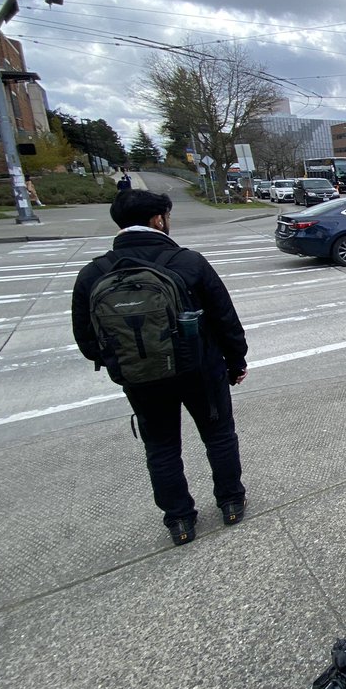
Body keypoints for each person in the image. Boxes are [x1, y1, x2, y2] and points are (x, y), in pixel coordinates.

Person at [71, 190, 250, 546]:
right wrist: (236, 360)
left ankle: (180, 521)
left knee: (162, 448)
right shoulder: (188, 262)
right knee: (218, 436)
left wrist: (121, 365)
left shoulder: (94, 273)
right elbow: (224, 318)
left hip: (141, 379)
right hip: (199, 371)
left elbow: (86, 337)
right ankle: (230, 502)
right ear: (158, 220)